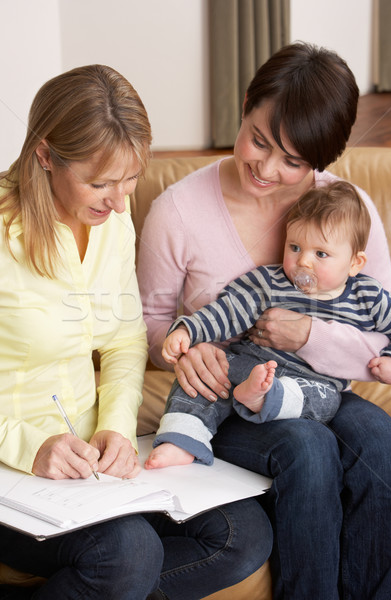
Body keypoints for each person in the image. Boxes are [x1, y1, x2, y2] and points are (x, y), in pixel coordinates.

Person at [138, 42, 391, 599]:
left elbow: (383, 334)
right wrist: (186, 349)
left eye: (294, 161)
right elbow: (148, 319)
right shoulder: (178, 211)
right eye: (259, 140)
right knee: (307, 449)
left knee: (381, 441)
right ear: (245, 106)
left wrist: (310, 335)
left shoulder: (348, 213)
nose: (267, 168)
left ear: (321, 161)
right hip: (229, 397)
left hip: (319, 389)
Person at [0, 64, 272, 600]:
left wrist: (118, 429)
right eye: (100, 183)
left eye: (130, 180)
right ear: (45, 155)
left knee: (243, 536)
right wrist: (27, 445)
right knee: (128, 553)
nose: (121, 202)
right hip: (13, 465)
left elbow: (125, 340)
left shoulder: (111, 219)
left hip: (87, 462)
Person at [145, 180, 391, 468]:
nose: (303, 261)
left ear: (355, 263)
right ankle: (181, 438)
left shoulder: (368, 297)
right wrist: (188, 330)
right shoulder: (271, 281)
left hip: (314, 383)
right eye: (294, 247)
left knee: (327, 401)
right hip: (251, 363)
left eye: (320, 254)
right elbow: (228, 311)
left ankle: (265, 398)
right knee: (205, 377)